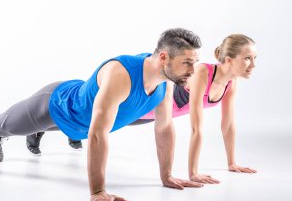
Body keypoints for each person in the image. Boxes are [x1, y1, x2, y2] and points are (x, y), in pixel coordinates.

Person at [0, 28, 203, 201]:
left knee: (65, 126)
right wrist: (98, 191)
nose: (193, 70)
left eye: (195, 62)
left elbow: (164, 127)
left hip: (76, 122)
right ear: (164, 57)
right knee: (2, 125)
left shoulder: (166, 81)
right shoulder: (121, 73)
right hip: (54, 106)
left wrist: (166, 175)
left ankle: (35, 133)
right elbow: (98, 134)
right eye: (187, 62)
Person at [19, 34, 257, 185]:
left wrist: (231, 163)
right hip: (133, 107)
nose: (252, 64)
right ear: (229, 59)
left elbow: (225, 125)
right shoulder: (200, 73)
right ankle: (29, 128)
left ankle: (43, 129)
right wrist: (192, 172)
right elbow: (196, 128)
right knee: (90, 123)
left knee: (91, 126)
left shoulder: (226, 84)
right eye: (248, 58)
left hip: (149, 111)